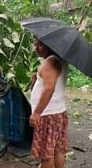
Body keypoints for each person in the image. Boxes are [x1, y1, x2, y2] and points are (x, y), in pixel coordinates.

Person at [30, 39, 68, 168]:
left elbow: (49, 89)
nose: (36, 47)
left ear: (51, 45)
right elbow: (51, 84)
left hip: (48, 115)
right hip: (58, 112)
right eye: (35, 44)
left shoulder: (50, 62)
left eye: (40, 44)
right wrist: (37, 78)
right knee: (58, 148)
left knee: (46, 153)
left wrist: (36, 113)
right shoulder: (59, 60)